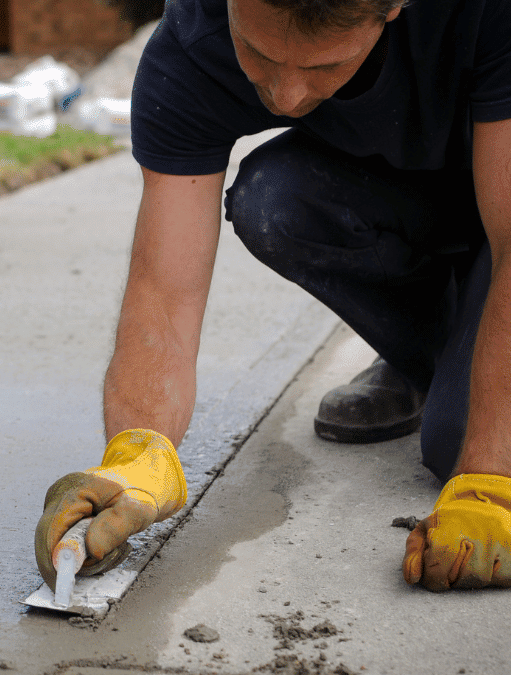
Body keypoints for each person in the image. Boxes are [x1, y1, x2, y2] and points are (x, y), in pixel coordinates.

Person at [36, 0, 511, 593]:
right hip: (420, 201)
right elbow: (165, 287)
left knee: (462, 448)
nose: (285, 96)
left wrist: (489, 480)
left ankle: (462, 370)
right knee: (274, 203)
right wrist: (137, 459)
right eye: (258, 53)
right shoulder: (192, 45)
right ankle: (441, 360)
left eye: (325, 66)